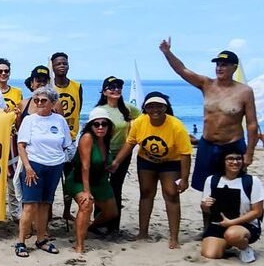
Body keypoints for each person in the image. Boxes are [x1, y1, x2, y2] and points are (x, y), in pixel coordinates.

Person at [159, 41, 258, 191]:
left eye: (224, 64)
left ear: (234, 67)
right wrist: (167, 52)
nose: (219, 68)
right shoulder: (207, 84)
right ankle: (209, 215)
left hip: (232, 145)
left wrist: (249, 153)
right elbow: (182, 70)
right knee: (206, 188)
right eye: (217, 64)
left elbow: (252, 124)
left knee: (233, 188)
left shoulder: (245, 91)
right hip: (207, 145)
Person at [109, 92, 192, 249]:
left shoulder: (176, 125)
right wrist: (116, 162)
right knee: (146, 193)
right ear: (145, 108)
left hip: (171, 162)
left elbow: (185, 154)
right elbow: (130, 143)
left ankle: (174, 238)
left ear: (165, 107)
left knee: (171, 194)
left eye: (159, 106)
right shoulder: (140, 122)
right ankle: (143, 232)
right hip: (146, 161)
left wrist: (185, 178)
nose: (155, 109)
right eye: (150, 106)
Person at [14, 86, 72, 257]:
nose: (39, 103)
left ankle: (41, 239)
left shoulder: (59, 120)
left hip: (54, 166)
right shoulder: (30, 120)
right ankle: (21, 241)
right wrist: (28, 167)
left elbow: (67, 144)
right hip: (34, 165)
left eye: (43, 100)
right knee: (30, 205)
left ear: (53, 103)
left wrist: (64, 159)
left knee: (45, 204)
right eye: (36, 100)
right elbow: (21, 145)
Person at [64, 108, 118, 253]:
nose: (100, 127)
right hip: (79, 180)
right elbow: (85, 166)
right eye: (96, 124)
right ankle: (79, 244)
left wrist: (111, 164)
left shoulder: (106, 138)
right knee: (87, 204)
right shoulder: (87, 138)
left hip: (99, 179)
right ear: (90, 125)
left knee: (112, 212)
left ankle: (89, 226)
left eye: (104, 124)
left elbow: (103, 160)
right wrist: (87, 192)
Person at [93, 76, 141, 234]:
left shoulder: (128, 108)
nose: (116, 90)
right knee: (101, 187)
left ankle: (114, 226)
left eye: (119, 87)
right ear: (104, 91)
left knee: (116, 188)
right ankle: (99, 223)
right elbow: (94, 134)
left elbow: (142, 122)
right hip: (102, 153)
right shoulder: (100, 110)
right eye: (111, 87)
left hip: (123, 153)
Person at [200, 150, 264, 263]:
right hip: (220, 223)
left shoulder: (252, 181)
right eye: (230, 158)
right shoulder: (212, 180)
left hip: (245, 224)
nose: (235, 162)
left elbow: (257, 212)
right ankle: (227, 243)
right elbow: (206, 209)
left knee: (232, 234)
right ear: (223, 161)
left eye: (238, 159)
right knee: (210, 254)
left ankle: (244, 248)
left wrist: (232, 222)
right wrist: (205, 205)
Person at [51, 52, 83, 222]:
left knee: (70, 177)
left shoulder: (77, 87)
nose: (62, 65)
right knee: (51, 178)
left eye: (64, 63)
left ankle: (66, 211)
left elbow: (78, 109)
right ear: (53, 66)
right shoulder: (50, 88)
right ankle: (47, 213)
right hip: (54, 139)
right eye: (58, 63)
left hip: (72, 138)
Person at [0, 58, 23, 223]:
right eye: (0, 71)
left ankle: (16, 214)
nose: (3, 74)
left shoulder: (17, 92)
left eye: (6, 71)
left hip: (12, 138)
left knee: (13, 177)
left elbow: (21, 116)